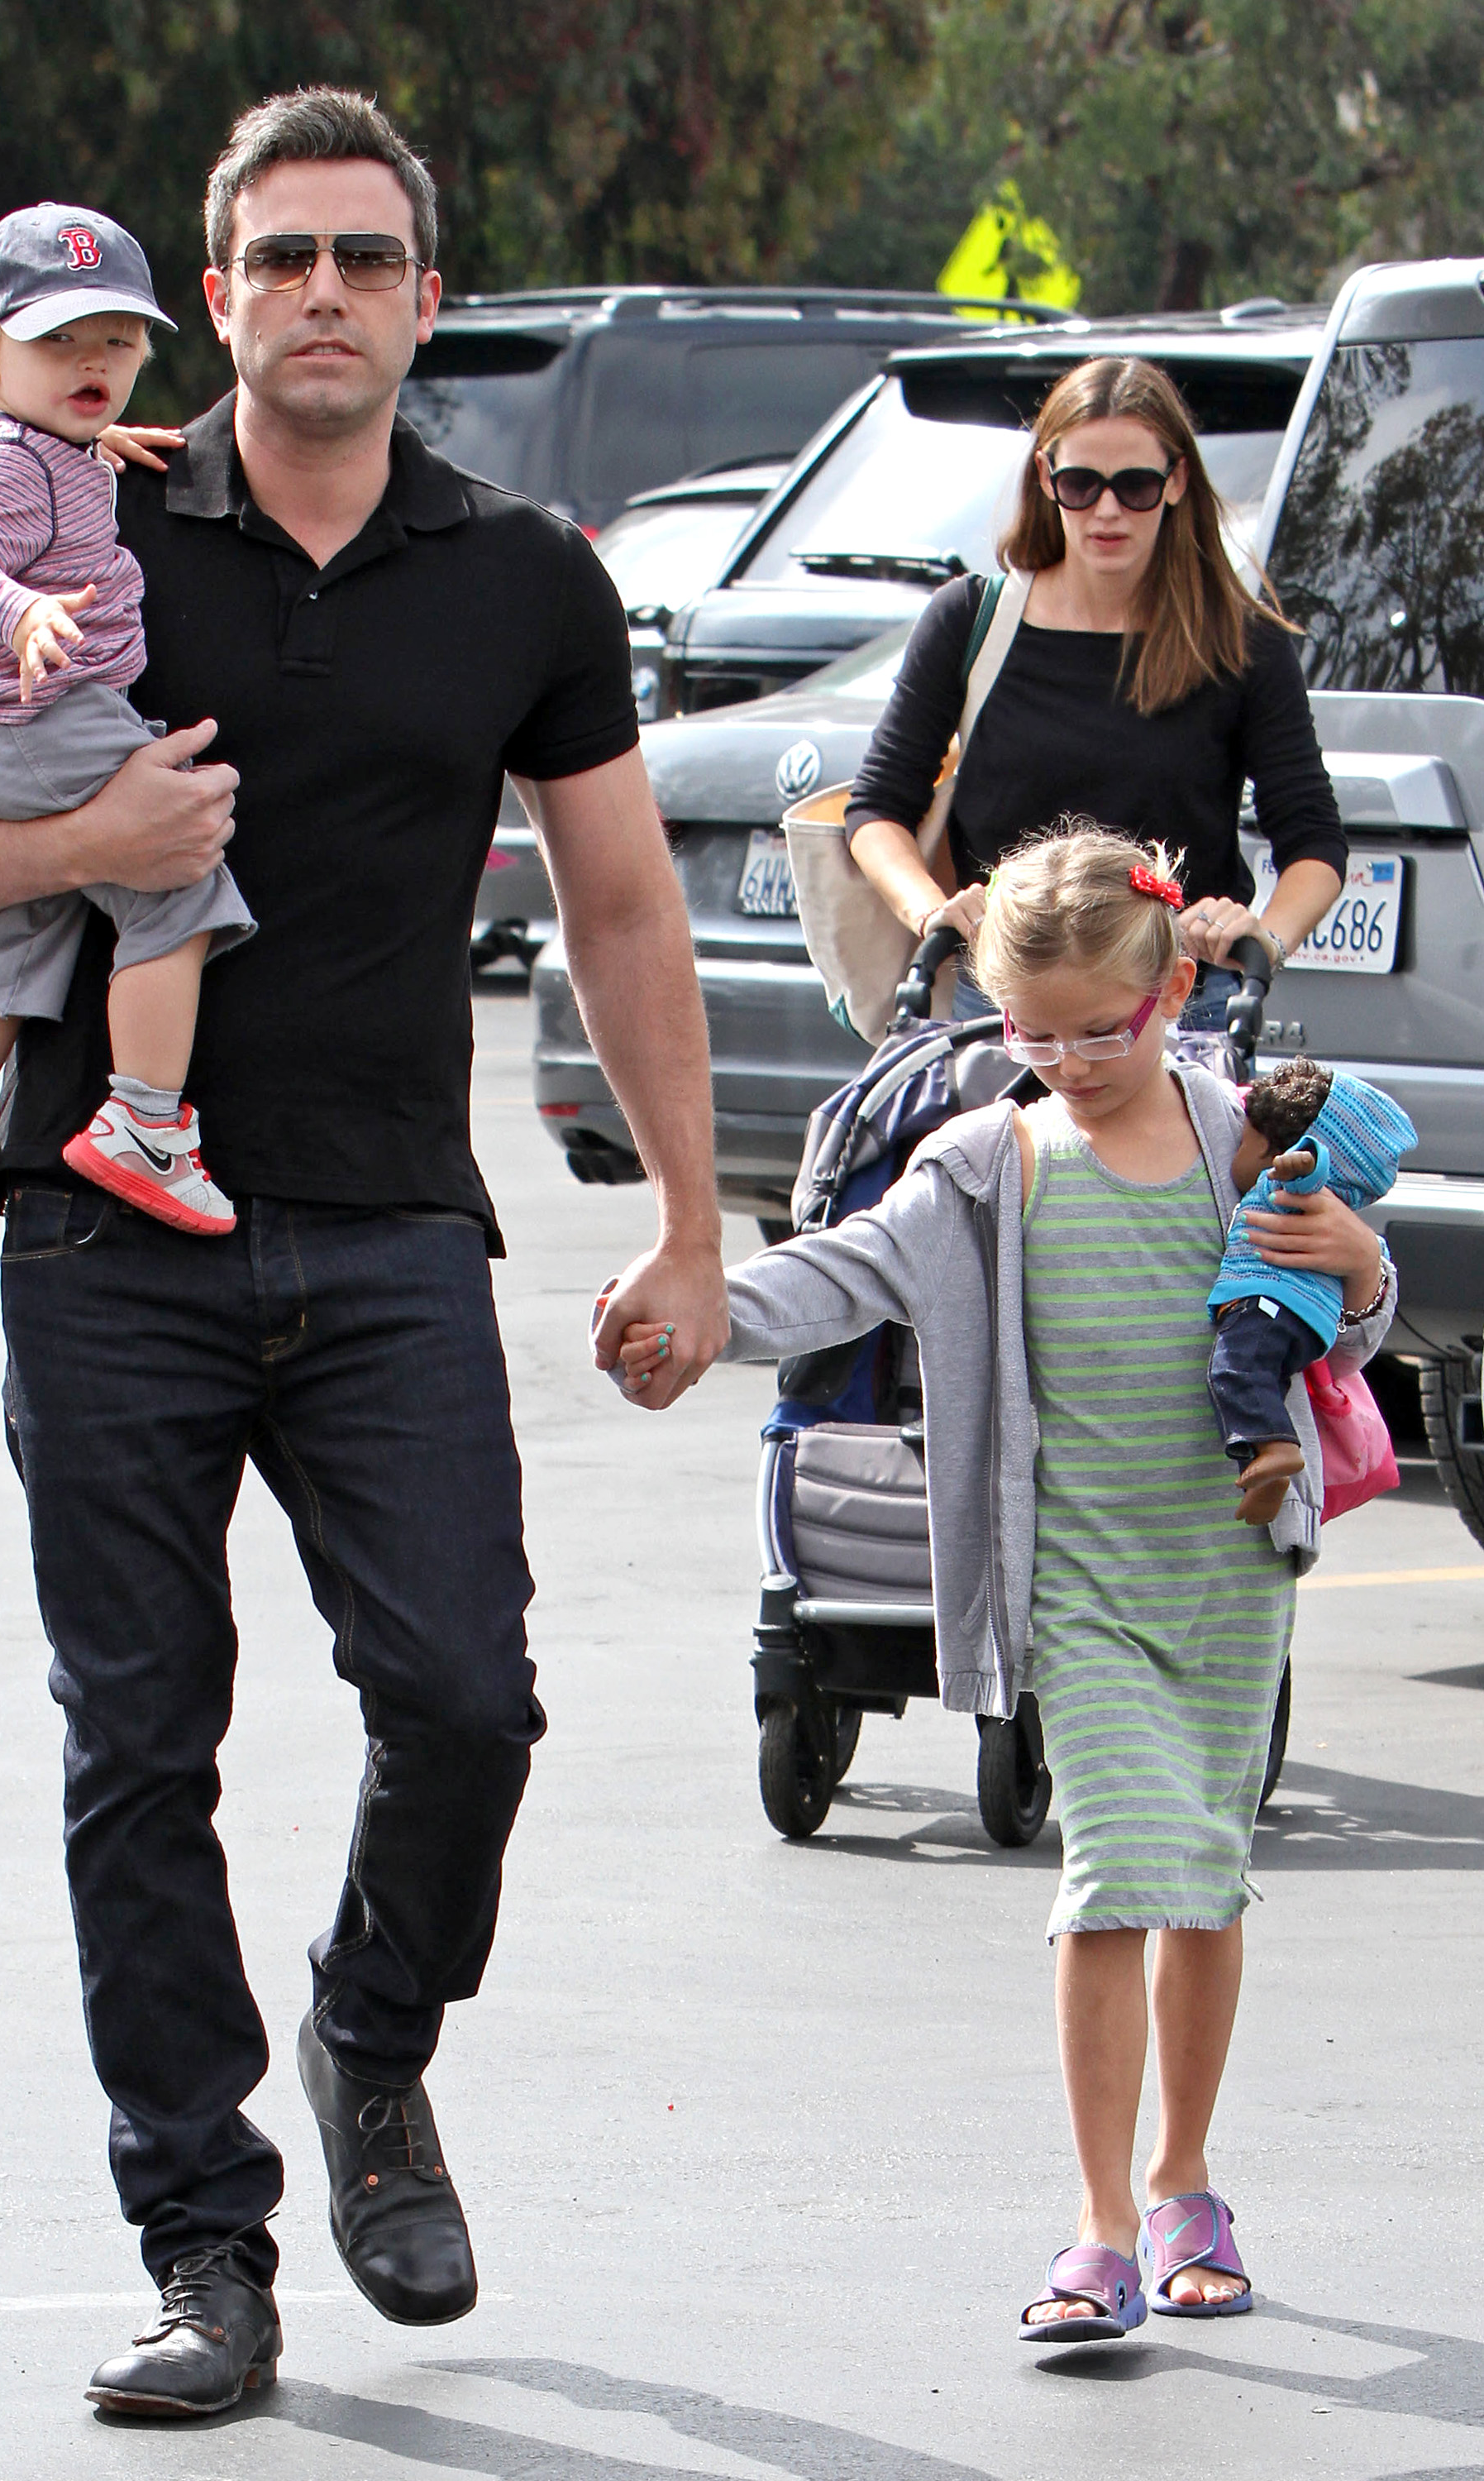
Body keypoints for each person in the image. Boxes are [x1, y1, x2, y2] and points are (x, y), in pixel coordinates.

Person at [0, 88, 729, 2417]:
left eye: (363, 259)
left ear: (425, 303)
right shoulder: (73, 496)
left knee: (465, 1700)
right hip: (99, 1232)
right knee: (139, 1743)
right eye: (276, 260)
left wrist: (689, 1220)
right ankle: (200, 2248)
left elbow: (620, 905)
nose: (318, 294)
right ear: (208, 296)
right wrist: (101, 823)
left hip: (384, 1234)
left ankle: (369, 2036)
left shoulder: (524, 572)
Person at [608, 825, 1394, 2341]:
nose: (1066, 1060)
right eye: (1030, 1034)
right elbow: (845, 1271)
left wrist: (1358, 1267)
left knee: (1208, 1883)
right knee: (1108, 1884)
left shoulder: (1244, 1140)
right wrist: (709, 1313)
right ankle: (1102, 2219)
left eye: (1099, 1030)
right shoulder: (986, 1163)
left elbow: (1339, 1340)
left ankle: (1184, 2179)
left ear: (1170, 991)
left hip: (1229, 1572)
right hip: (1078, 1586)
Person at [0, 203, 255, 1248]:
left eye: (117, 343)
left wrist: (92, 441)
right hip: (39, 717)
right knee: (178, 874)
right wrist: (22, 611)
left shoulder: (36, 440)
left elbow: (39, 479)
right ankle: (144, 1121)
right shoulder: (5, 462)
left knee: (33, 911)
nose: (94, 362)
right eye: (60, 342)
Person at [842, 356, 1348, 1026]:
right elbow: (877, 809)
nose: (1107, 510)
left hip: (1177, 1007)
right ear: (1046, 478)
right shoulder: (969, 621)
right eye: (1081, 483)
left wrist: (1263, 937)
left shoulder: (1236, 640)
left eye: (1135, 485)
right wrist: (931, 909)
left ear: (1176, 482)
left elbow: (1312, 839)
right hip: (1004, 1008)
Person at [1210, 1056, 1415, 1519]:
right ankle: (1263, 1456)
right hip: (1292, 1313)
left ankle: (1274, 1449)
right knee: (1256, 1372)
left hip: (1268, 1302)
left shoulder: (1292, 1188)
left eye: (1246, 1140)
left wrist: (1300, 1160)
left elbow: (1311, 1165)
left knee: (1237, 1370)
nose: (1235, 1152)